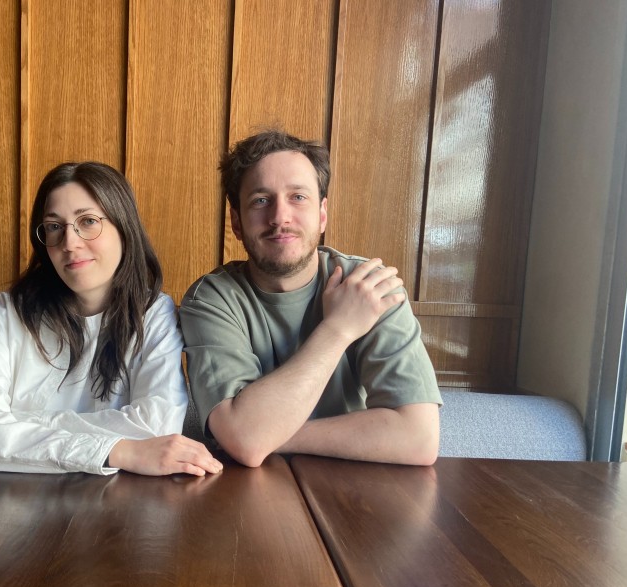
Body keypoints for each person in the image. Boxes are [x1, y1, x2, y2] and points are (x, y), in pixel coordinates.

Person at [180, 130, 442, 468]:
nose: (280, 217)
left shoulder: (370, 287)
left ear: (322, 214)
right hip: (246, 488)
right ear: (237, 222)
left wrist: (265, 436)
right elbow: (244, 439)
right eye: (260, 200)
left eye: (298, 197)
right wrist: (339, 329)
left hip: (357, 482)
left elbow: (419, 439)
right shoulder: (211, 299)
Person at [0, 162, 222, 477]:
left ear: (124, 227)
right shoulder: (8, 312)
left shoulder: (154, 313)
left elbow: (156, 429)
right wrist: (117, 451)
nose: (69, 243)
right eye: (54, 226)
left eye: (88, 221)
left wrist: (17, 424)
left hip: (122, 501)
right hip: (12, 496)